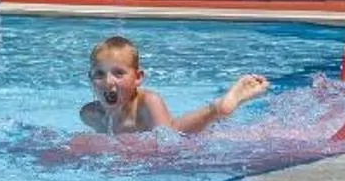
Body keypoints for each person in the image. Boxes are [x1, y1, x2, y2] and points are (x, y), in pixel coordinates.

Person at [79, 35, 269, 136]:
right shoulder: (90, 115)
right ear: (90, 79)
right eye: (99, 74)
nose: (108, 81)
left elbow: (171, 142)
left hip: (199, 137)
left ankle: (216, 109)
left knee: (174, 133)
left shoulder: (148, 103)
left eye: (118, 73)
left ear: (138, 78)